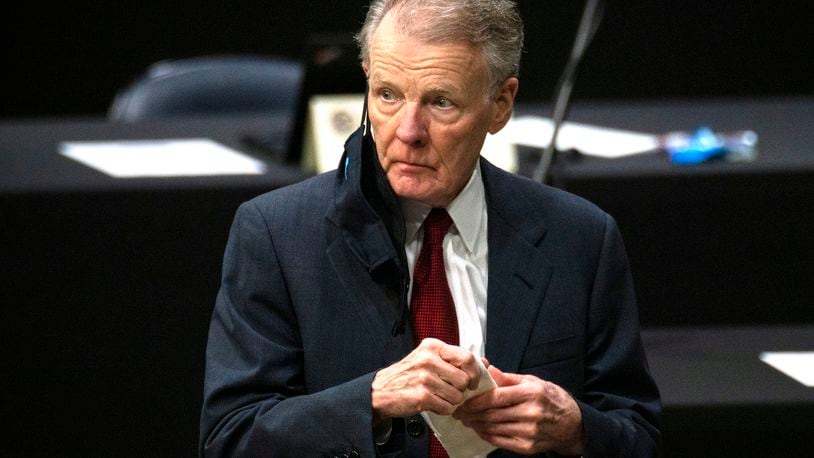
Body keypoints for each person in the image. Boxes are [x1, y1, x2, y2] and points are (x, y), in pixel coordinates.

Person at [199, 0, 661, 456]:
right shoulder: (277, 236)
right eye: (388, 95)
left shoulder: (581, 238)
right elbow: (231, 439)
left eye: (440, 102)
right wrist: (369, 401)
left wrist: (576, 429)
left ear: (501, 104)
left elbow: (639, 433)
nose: (408, 130)